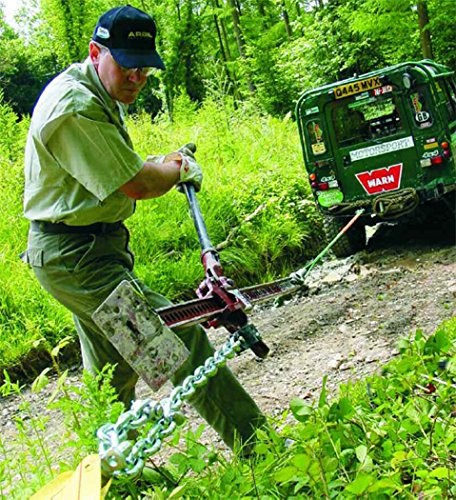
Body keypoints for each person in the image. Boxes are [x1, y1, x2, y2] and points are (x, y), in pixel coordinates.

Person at [22, 5, 265, 457]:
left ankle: (115, 474)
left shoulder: (97, 93)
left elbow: (117, 168)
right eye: (127, 66)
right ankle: (260, 447)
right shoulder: (75, 106)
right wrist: (178, 170)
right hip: (75, 257)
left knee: (111, 373)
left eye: (145, 68)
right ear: (96, 53)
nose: (137, 77)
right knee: (176, 338)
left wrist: (164, 164)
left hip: (90, 250)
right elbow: (137, 184)